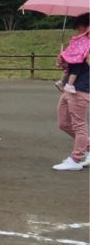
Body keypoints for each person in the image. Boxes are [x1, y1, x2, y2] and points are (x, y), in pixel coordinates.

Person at [53, 13, 90, 171]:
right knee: (63, 123)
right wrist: (63, 59)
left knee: (79, 125)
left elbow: (80, 65)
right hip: (71, 88)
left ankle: (76, 159)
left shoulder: (86, 43)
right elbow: (71, 65)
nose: (77, 31)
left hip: (80, 88)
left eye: (79, 27)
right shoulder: (79, 43)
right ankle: (87, 146)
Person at [54, 23, 90, 93]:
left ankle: (62, 82)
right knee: (74, 71)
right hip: (76, 58)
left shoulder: (78, 37)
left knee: (68, 70)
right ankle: (68, 84)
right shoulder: (84, 38)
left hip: (71, 57)